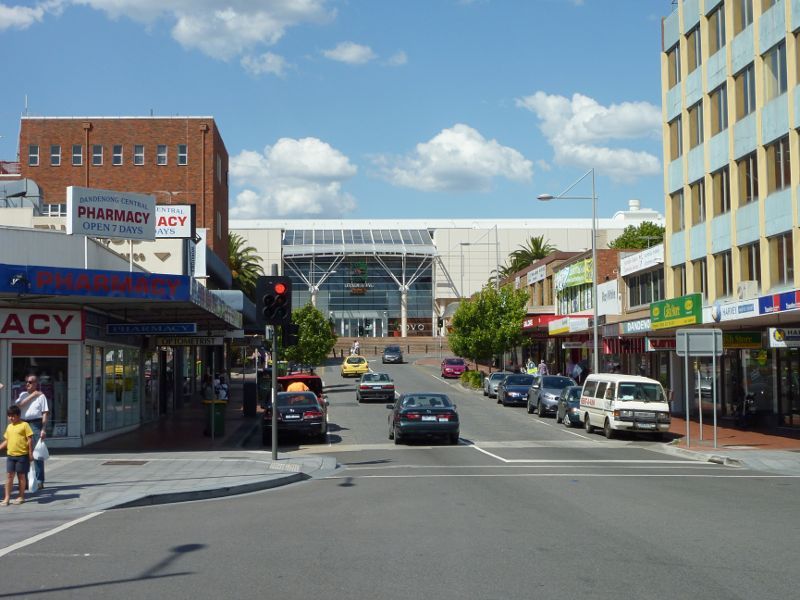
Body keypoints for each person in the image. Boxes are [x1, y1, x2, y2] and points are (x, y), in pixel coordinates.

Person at [15, 374, 48, 490]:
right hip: (23, 423)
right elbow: (18, 406)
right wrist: (33, 395)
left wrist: (43, 429)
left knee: (37, 453)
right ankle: (26, 480)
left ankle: (39, 480)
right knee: (24, 453)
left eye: (30, 382)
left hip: (36, 423)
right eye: (26, 382)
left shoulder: (41, 396)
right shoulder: (23, 395)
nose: (27, 384)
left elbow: (45, 413)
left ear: (36, 383)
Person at [0, 405, 34, 505]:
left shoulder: (24, 425)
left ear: (18, 415)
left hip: (22, 455)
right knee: (9, 476)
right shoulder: (9, 427)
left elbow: (30, 439)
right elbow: (6, 440)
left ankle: (21, 496)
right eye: (9, 416)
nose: (11, 418)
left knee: (21, 476)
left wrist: (30, 453)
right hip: (10, 455)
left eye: (13, 416)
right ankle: (6, 498)